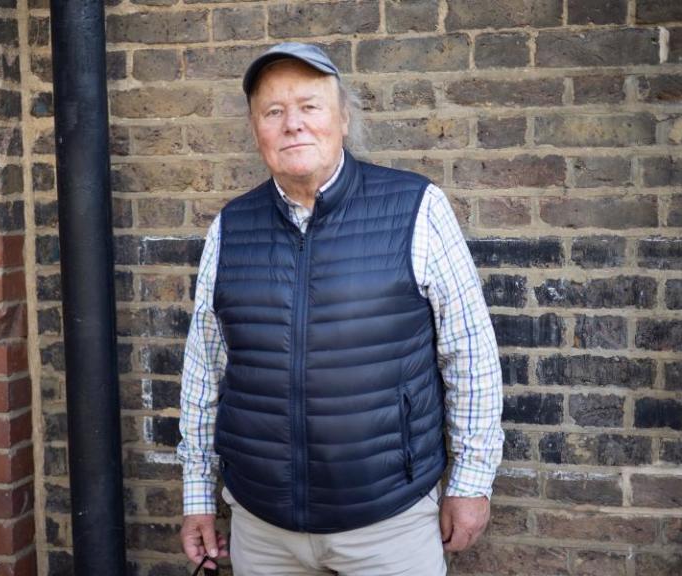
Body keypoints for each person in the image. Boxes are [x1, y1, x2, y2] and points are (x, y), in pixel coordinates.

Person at [177, 42, 504, 575]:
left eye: (310, 106)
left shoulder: (416, 208)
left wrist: (470, 483)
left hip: (389, 523)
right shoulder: (231, 228)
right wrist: (197, 495)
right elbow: (204, 371)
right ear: (256, 128)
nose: (293, 125)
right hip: (263, 528)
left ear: (342, 118)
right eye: (274, 112)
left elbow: (470, 356)